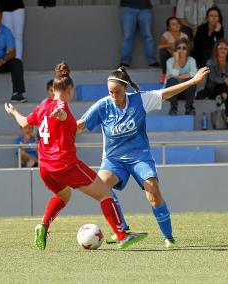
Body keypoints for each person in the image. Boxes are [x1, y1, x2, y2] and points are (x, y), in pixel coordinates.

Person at [4, 62, 147, 251]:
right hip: (65, 164)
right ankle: (122, 235)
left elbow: (24, 123)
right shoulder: (61, 105)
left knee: (63, 195)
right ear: (70, 90)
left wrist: (13, 111)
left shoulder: (42, 106)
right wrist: (62, 115)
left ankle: (44, 225)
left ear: (52, 89)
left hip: (45, 168)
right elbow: (62, 113)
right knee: (105, 193)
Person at [77, 65, 210, 248]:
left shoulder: (140, 100)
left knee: (153, 190)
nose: (114, 96)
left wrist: (193, 81)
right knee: (102, 185)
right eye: (110, 92)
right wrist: (57, 123)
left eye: (117, 92)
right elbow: (79, 125)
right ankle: (121, 230)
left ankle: (169, 238)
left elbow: (166, 93)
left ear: (125, 88)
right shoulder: (103, 106)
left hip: (140, 157)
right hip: (114, 160)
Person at [204, 39, 228, 128]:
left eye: (225, 48)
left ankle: (223, 97)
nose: (223, 50)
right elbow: (213, 78)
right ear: (216, 50)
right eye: (220, 48)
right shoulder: (210, 62)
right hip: (213, 89)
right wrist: (227, 80)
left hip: (227, 90)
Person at [119, 0, 159, 68]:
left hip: (145, 7)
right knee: (128, 37)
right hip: (128, 7)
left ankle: (152, 62)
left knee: (148, 36)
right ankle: (124, 62)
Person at [165, 38, 198, 115]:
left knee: (191, 81)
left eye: (184, 48)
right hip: (171, 93)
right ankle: (173, 109)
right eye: (178, 48)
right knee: (172, 81)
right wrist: (176, 60)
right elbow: (174, 74)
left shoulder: (191, 60)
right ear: (175, 50)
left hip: (186, 92)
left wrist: (178, 77)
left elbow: (194, 74)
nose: (181, 50)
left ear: (187, 50)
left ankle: (189, 109)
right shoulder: (170, 61)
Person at [157, 17, 189, 82]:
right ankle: (164, 74)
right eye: (173, 24)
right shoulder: (166, 34)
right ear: (168, 27)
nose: (176, 25)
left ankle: (183, 73)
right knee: (162, 51)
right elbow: (159, 47)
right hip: (170, 56)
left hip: (181, 57)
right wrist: (171, 45)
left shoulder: (184, 36)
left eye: (178, 23)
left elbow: (188, 48)